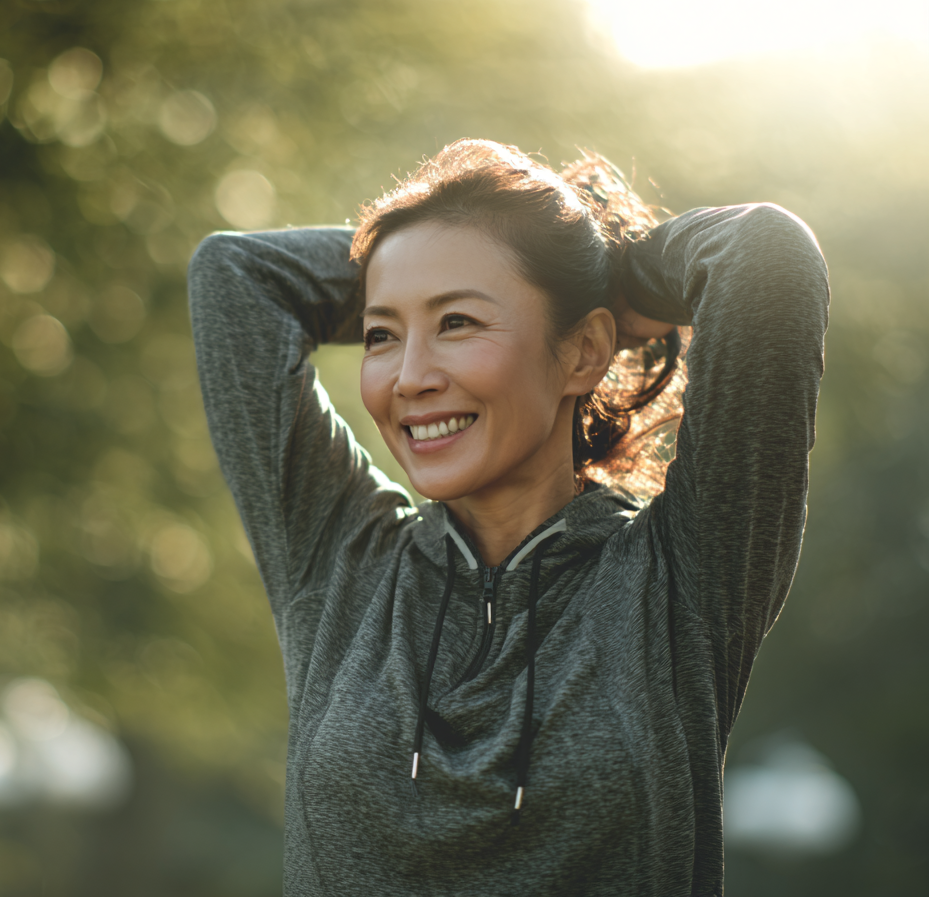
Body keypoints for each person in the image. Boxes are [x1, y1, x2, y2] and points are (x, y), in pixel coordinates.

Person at [187, 139, 828, 896]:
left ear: (584, 350)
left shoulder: (681, 576)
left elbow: (765, 256)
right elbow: (236, 278)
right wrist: (457, 256)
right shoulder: (340, 561)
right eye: (381, 334)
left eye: (457, 323)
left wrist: (600, 265)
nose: (411, 378)